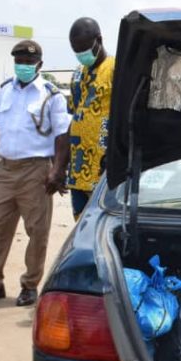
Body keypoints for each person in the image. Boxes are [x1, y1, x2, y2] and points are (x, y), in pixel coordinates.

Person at [0, 40, 70, 307]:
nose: (23, 66)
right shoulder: (5, 91)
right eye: (19, 61)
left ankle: (29, 285)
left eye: (28, 62)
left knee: (37, 231)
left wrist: (57, 170)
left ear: (39, 64)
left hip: (36, 171)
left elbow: (62, 136)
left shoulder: (51, 95)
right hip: (6, 169)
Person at [60, 17, 114, 220]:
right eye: (76, 51)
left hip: (104, 173)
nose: (81, 55)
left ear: (99, 40)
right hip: (78, 174)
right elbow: (74, 121)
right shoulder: (77, 75)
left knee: (103, 227)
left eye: (84, 49)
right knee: (81, 228)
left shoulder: (116, 70)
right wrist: (60, 167)